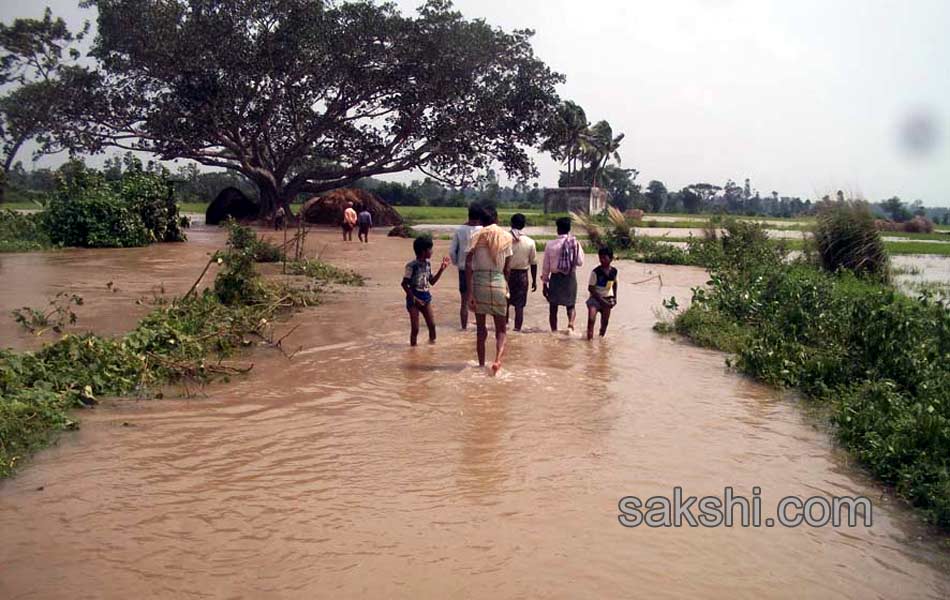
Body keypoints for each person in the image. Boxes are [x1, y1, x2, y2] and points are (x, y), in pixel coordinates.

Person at [465, 203, 513, 375]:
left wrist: (469, 292)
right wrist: (505, 284)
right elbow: (508, 268)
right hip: (498, 281)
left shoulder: (476, 235)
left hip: (479, 283)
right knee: (501, 329)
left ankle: (480, 365)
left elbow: (468, 264)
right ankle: (498, 360)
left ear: (481, 220)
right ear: (497, 219)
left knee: (480, 329)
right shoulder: (506, 237)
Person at [401, 236, 450, 346]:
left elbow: (432, 281)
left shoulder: (428, 264)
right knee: (415, 328)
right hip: (413, 298)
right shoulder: (411, 266)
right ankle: (413, 350)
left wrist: (442, 269)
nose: (432, 252)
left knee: (432, 325)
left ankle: (432, 347)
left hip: (426, 297)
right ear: (423, 251)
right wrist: (414, 298)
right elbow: (404, 284)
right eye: (430, 249)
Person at [542, 216, 584, 332]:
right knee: (570, 305)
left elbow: (546, 266)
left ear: (557, 229)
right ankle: (570, 324)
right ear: (569, 229)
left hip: (555, 278)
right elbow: (580, 262)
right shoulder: (575, 243)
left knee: (553, 307)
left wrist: (545, 283)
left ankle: (554, 332)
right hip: (570, 277)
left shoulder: (550, 245)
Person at [448, 203, 484, 329]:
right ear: (480, 217)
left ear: (468, 215)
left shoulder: (459, 230)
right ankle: (480, 328)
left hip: (463, 270)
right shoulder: (484, 231)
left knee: (464, 301)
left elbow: (452, 251)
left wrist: (457, 263)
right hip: (480, 270)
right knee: (480, 301)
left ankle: (464, 328)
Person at [506, 213, 538, 331]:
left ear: (511, 223)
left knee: (505, 304)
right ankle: (517, 331)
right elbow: (533, 263)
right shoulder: (530, 242)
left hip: (506, 274)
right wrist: (534, 280)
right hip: (522, 276)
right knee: (519, 307)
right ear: (524, 225)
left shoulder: (505, 239)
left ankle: (504, 329)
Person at [586, 246, 618, 340]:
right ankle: (589, 341)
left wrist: (615, 298)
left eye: (604, 258)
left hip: (607, 298)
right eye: (600, 257)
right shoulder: (595, 272)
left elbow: (615, 283)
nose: (602, 260)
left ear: (611, 259)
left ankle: (601, 339)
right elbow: (591, 288)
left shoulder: (614, 272)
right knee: (591, 320)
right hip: (595, 299)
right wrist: (601, 300)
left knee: (605, 322)